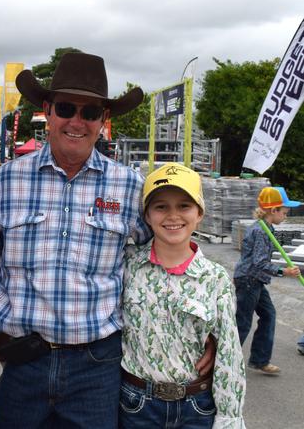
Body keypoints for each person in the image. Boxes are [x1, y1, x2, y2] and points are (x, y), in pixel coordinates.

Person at [0, 53, 214, 428]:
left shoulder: (129, 186)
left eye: (89, 113)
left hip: (97, 366)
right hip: (24, 361)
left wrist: (205, 331)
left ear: (103, 120)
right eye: (67, 108)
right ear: (47, 111)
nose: (76, 121)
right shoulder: (7, 181)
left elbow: (166, 265)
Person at [120, 163, 246, 428]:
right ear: (147, 215)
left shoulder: (215, 278)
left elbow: (228, 353)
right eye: (161, 206)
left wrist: (229, 417)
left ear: (200, 213)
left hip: (196, 407)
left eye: (184, 206)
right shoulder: (126, 266)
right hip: (136, 406)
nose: (173, 216)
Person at [233, 186, 301, 375]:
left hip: (254, 280)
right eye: (284, 213)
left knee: (268, 315)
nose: (285, 216)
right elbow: (259, 263)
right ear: (273, 211)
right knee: (243, 323)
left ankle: (260, 360)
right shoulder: (262, 231)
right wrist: (283, 271)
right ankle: (223, 362)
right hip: (249, 279)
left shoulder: (266, 227)